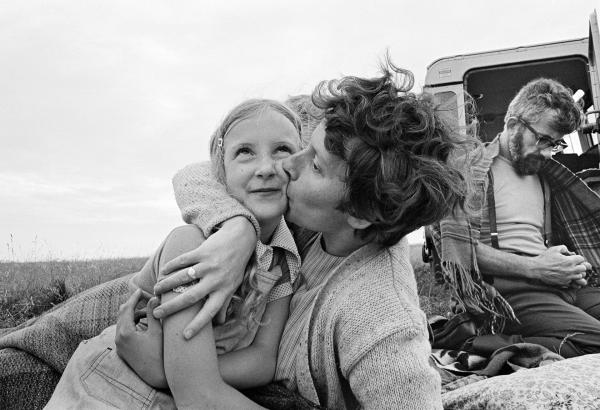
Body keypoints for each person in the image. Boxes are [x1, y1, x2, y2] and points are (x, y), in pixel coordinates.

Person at [118, 61, 477, 409]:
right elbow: (199, 174)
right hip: (164, 323)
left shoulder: (381, 323)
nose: (285, 166)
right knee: (63, 329)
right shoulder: (315, 219)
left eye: (315, 165)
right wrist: (237, 226)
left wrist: (174, 372)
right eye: (304, 148)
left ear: (360, 214)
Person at [45, 99, 304, 409]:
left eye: (282, 150)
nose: (265, 168)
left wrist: (175, 370)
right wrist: (187, 375)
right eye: (245, 152)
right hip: (113, 383)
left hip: (179, 388)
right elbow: (197, 396)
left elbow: (263, 358)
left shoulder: (283, 261)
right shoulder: (190, 244)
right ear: (220, 173)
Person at [435, 78, 600, 358]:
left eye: (556, 143)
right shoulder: (470, 171)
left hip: (558, 286)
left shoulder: (546, 175)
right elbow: (460, 250)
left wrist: (566, 265)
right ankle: (484, 343)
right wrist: (536, 268)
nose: (549, 152)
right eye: (543, 140)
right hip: (508, 295)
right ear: (513, 125)